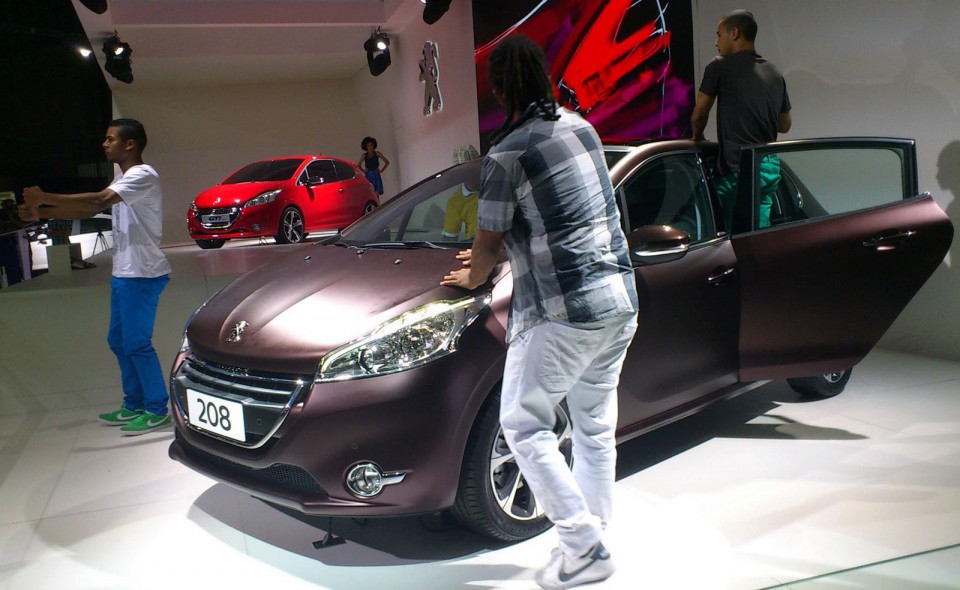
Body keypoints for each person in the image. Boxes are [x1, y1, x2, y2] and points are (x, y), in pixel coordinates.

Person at [441, 35, 638, 590]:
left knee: (524, 427)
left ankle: (583, 547)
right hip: (619, 299)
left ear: (500, 88)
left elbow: (485, 247)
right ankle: (593, 541)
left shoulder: (506, 153)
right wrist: (504, 251)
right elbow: (564, 217)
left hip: (563, 309)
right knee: (594, 428)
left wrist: (474, 273)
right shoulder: (582, 128)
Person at [19, 118, 173, 436]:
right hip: (125, 273)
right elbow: (90, 210)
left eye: (110, 139)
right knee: (119, 341)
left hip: (142, 274)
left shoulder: (142, 174)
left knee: (136, 344)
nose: (104, 144)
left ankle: (157, 410)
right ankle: (134, 404)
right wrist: (40, 213)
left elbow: (98, 201)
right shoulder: (122, 177)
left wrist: (44, 196)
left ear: (130, 144)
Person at [690, 9, 792, 231]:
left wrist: (697, 137)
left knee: (728, 237)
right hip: (767, 167)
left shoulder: (719, 66)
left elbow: (700, 113)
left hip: (736, 168)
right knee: (759, 232)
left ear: (734, 33)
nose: (716, 42)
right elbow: (785, 125)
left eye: (719, 35)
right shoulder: (775, 73)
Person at [441, 144, 481, 240]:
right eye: (464, 172)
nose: (470, 176)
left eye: (473, 170)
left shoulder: (496, 185)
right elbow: (449, 240)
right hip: (475, 246)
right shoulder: (455, 202)